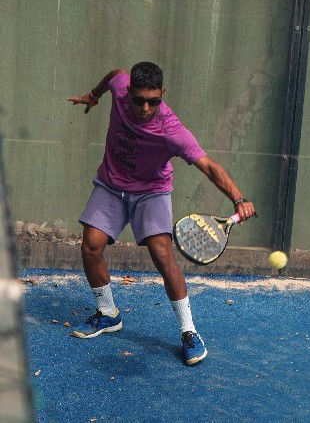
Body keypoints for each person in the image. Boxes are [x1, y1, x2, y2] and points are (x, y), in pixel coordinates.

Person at [67, 62, 255, 365]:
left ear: (162, 94)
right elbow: (114, 74)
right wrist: (94, 95)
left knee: (162, 255)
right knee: (91, 245)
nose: (145, 108)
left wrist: (239, 198)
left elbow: (209, 167)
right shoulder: (119, 87)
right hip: (112, 185)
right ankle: (108, 313)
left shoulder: (172, 131)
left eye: (153, 101)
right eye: (139, 100)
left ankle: (189, 331)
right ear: (129, 92)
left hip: (151, 191)